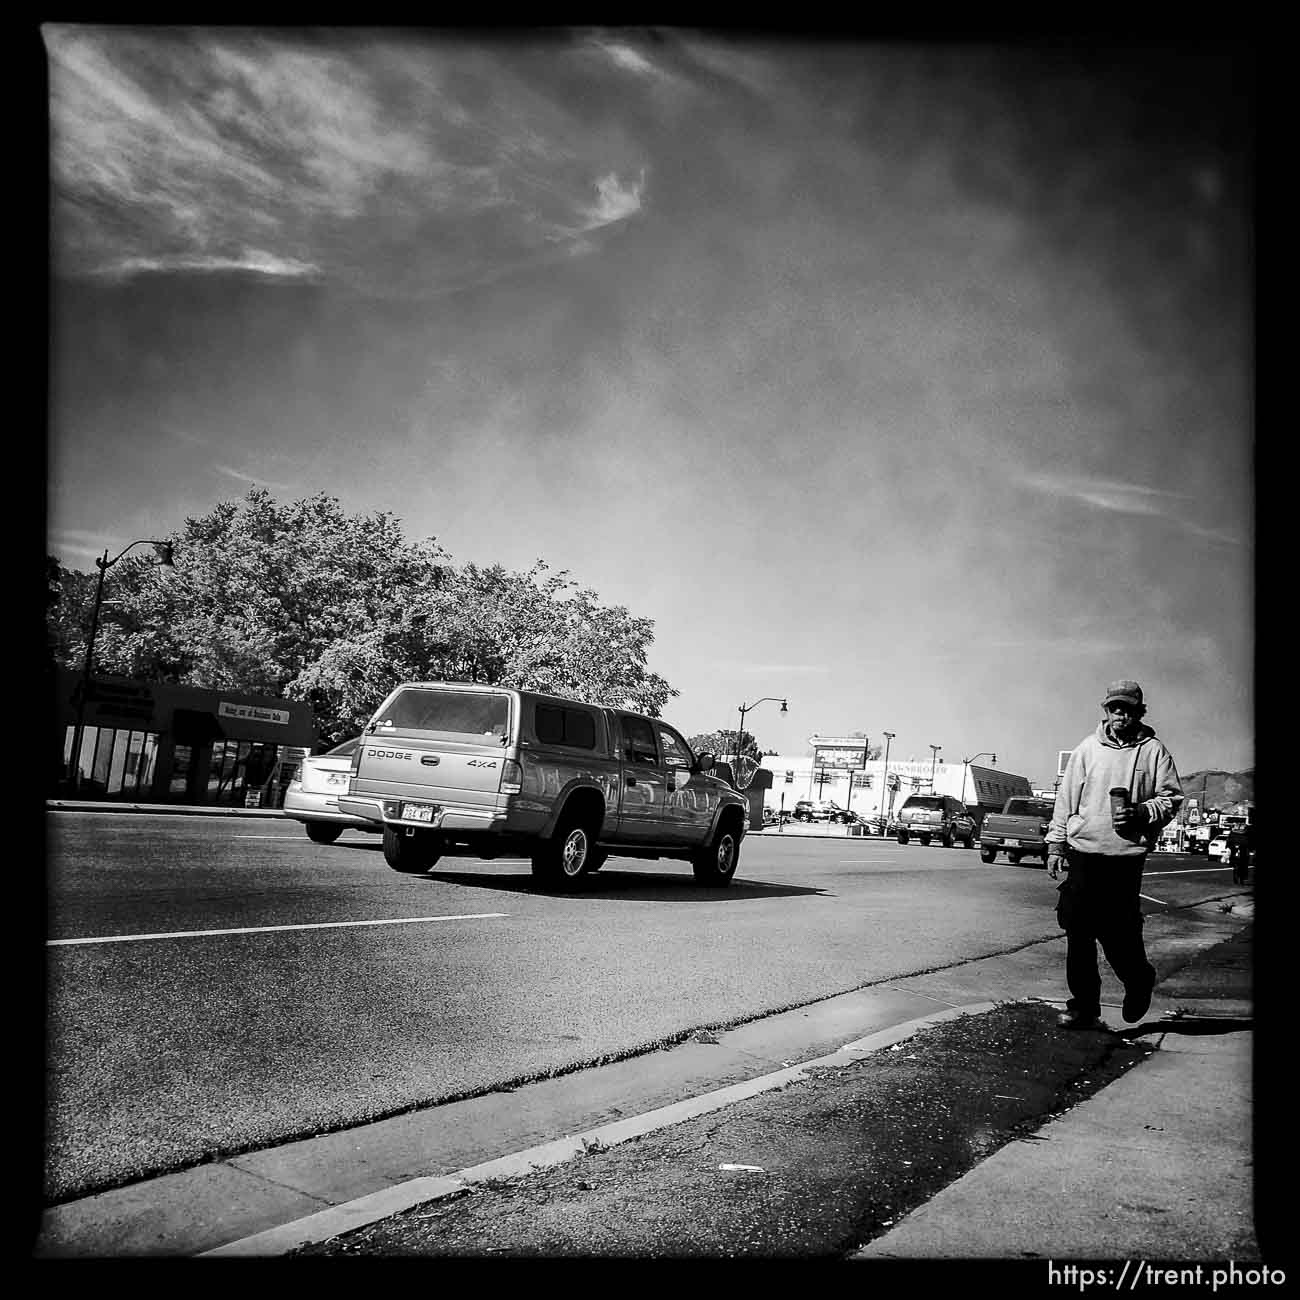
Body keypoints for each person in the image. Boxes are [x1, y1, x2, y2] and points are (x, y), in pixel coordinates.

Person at [1046, 680, 1184, 1030]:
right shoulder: (1087, 749)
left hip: (1124, 857)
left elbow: (1171, 800)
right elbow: (1066, 799)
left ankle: (1139, 979)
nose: (1120, 714)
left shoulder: (1154, 751)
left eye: (1128, 709)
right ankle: (1084, 1007)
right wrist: (1056, 843)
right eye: (1114, 708)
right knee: (1077, 928)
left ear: (1139, 712)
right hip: (1084, 851)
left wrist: (1141, 812)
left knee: (1117, 934)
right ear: (1105, 710)